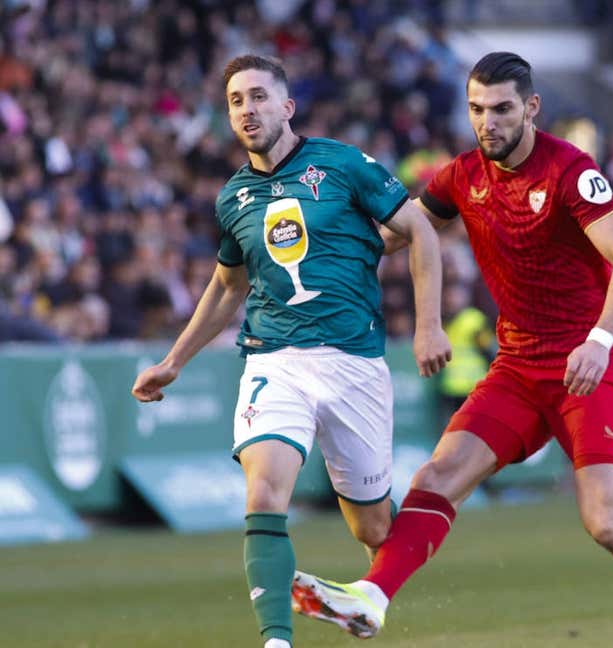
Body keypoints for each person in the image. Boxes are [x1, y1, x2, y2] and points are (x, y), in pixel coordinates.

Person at [290, 52, 613, 648]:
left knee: (608, 523)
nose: (487, 123)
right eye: (476, 109)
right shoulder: (461, 176)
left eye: (501, 109)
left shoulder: (571, 172)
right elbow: (395, 236)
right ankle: (370, 598)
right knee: (439, 473)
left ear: (531, 108)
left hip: (593, 367)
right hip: (519, 369)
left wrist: (600, 341)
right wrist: (309, 244)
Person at [130, 54, 451, 648]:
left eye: (257, 96)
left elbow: (421, 230)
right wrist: (175, 360)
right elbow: (229, 285)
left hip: (355, 364)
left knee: (375, 527)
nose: (247, 110)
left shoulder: (343, 164)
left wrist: (428, 325)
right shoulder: (233, 198)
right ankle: (277, 640)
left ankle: (365, 600)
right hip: (274, 359)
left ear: (287, 106)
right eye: (235, 101)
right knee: (264, 490)